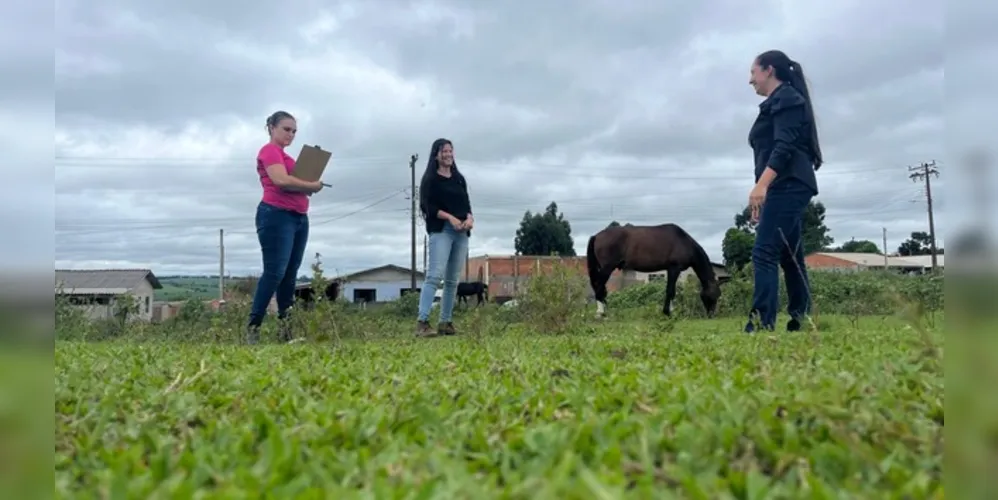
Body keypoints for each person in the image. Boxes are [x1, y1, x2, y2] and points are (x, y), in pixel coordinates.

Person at [744, 50, 823, 334]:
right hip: (782, 184)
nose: (750, 80)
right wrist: (762, 194)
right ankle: (800, 318)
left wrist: (762, 185)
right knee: (790, 255)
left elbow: (783, 147)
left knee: (764, 252)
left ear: (768, 70)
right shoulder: (778, 102)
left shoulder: (788, 99)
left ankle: (760, 323)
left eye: (753, 73)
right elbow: (770, 152)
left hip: (789, 182)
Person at [246, 111, 325, 344]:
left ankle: (286, 330)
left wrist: (310, 184)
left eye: (294, 131)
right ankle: (253, 328)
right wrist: (312, 184)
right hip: (276, 215)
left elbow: (298, 185)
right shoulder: (269, 151)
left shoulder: (287, 156)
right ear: (271, 127)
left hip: (299, 217)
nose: (290, 134)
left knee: (290, 276)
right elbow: (280, 180)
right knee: (274, 272)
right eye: (286, 129)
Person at [414, 138, 474, 338]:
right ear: (436, 155)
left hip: (461, 232)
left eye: (450, 150)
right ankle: (422, 322)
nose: (448, 154)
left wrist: (469, 219)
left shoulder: (459, 179)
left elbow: (467, 204)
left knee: (452, 281)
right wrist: (450, 218)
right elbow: (427, 207)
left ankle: (445, 322)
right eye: (444, 151)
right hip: (442, 230)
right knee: (434, 276)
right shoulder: (430, 180)